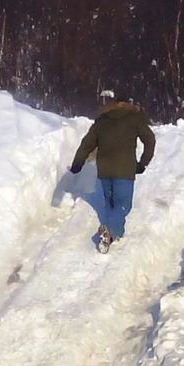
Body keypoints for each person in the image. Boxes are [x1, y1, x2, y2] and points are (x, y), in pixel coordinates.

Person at [69, 88, 156, 252]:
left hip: (104, 170)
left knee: (111, 204)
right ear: (128, 103)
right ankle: (110, 230)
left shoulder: (102, 120)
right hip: (124, 169)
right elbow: (150, 140)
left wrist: (77, 163)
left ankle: (113, 235)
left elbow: (87, 143)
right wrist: (143, 163)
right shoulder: (134, 118)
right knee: (123, 205)